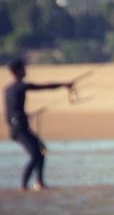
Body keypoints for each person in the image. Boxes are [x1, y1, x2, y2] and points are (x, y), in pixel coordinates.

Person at [4, 58, 74, 190]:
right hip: (19, 129)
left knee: (42, 150)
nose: (26, 70)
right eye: (24, 68)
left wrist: (25, 116)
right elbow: (44, 87)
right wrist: (65, 84)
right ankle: (23, 186)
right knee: (36, 154)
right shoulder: (20, 86)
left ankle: (39, 183)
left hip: (18, 127)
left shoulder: (8, 89)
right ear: (18, 71)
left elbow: (11, 110)